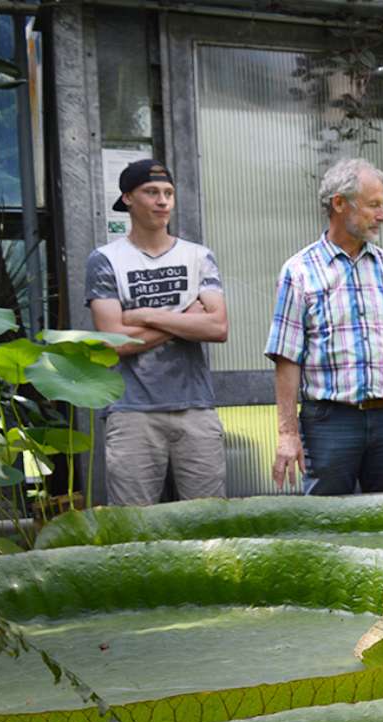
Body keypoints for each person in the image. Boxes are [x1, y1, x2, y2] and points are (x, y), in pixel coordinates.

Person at [266, 158, 383, 495]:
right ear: (339, 203)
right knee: (327, 522)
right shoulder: (300, 271)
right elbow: (286, 358)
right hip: (329, 424)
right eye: (374, 205)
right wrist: (287, 434)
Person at [86, 158, 229, 506]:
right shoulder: (105, 260)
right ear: (127, 199)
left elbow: (218, 326)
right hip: (131, 411)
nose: (162, 201)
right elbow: (113, 343)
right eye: (151, 192)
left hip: (196, 408)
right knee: (134, 528)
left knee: (208, 523)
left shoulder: (199, 257)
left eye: (168, 192)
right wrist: (185, 318)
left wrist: (146, 315)